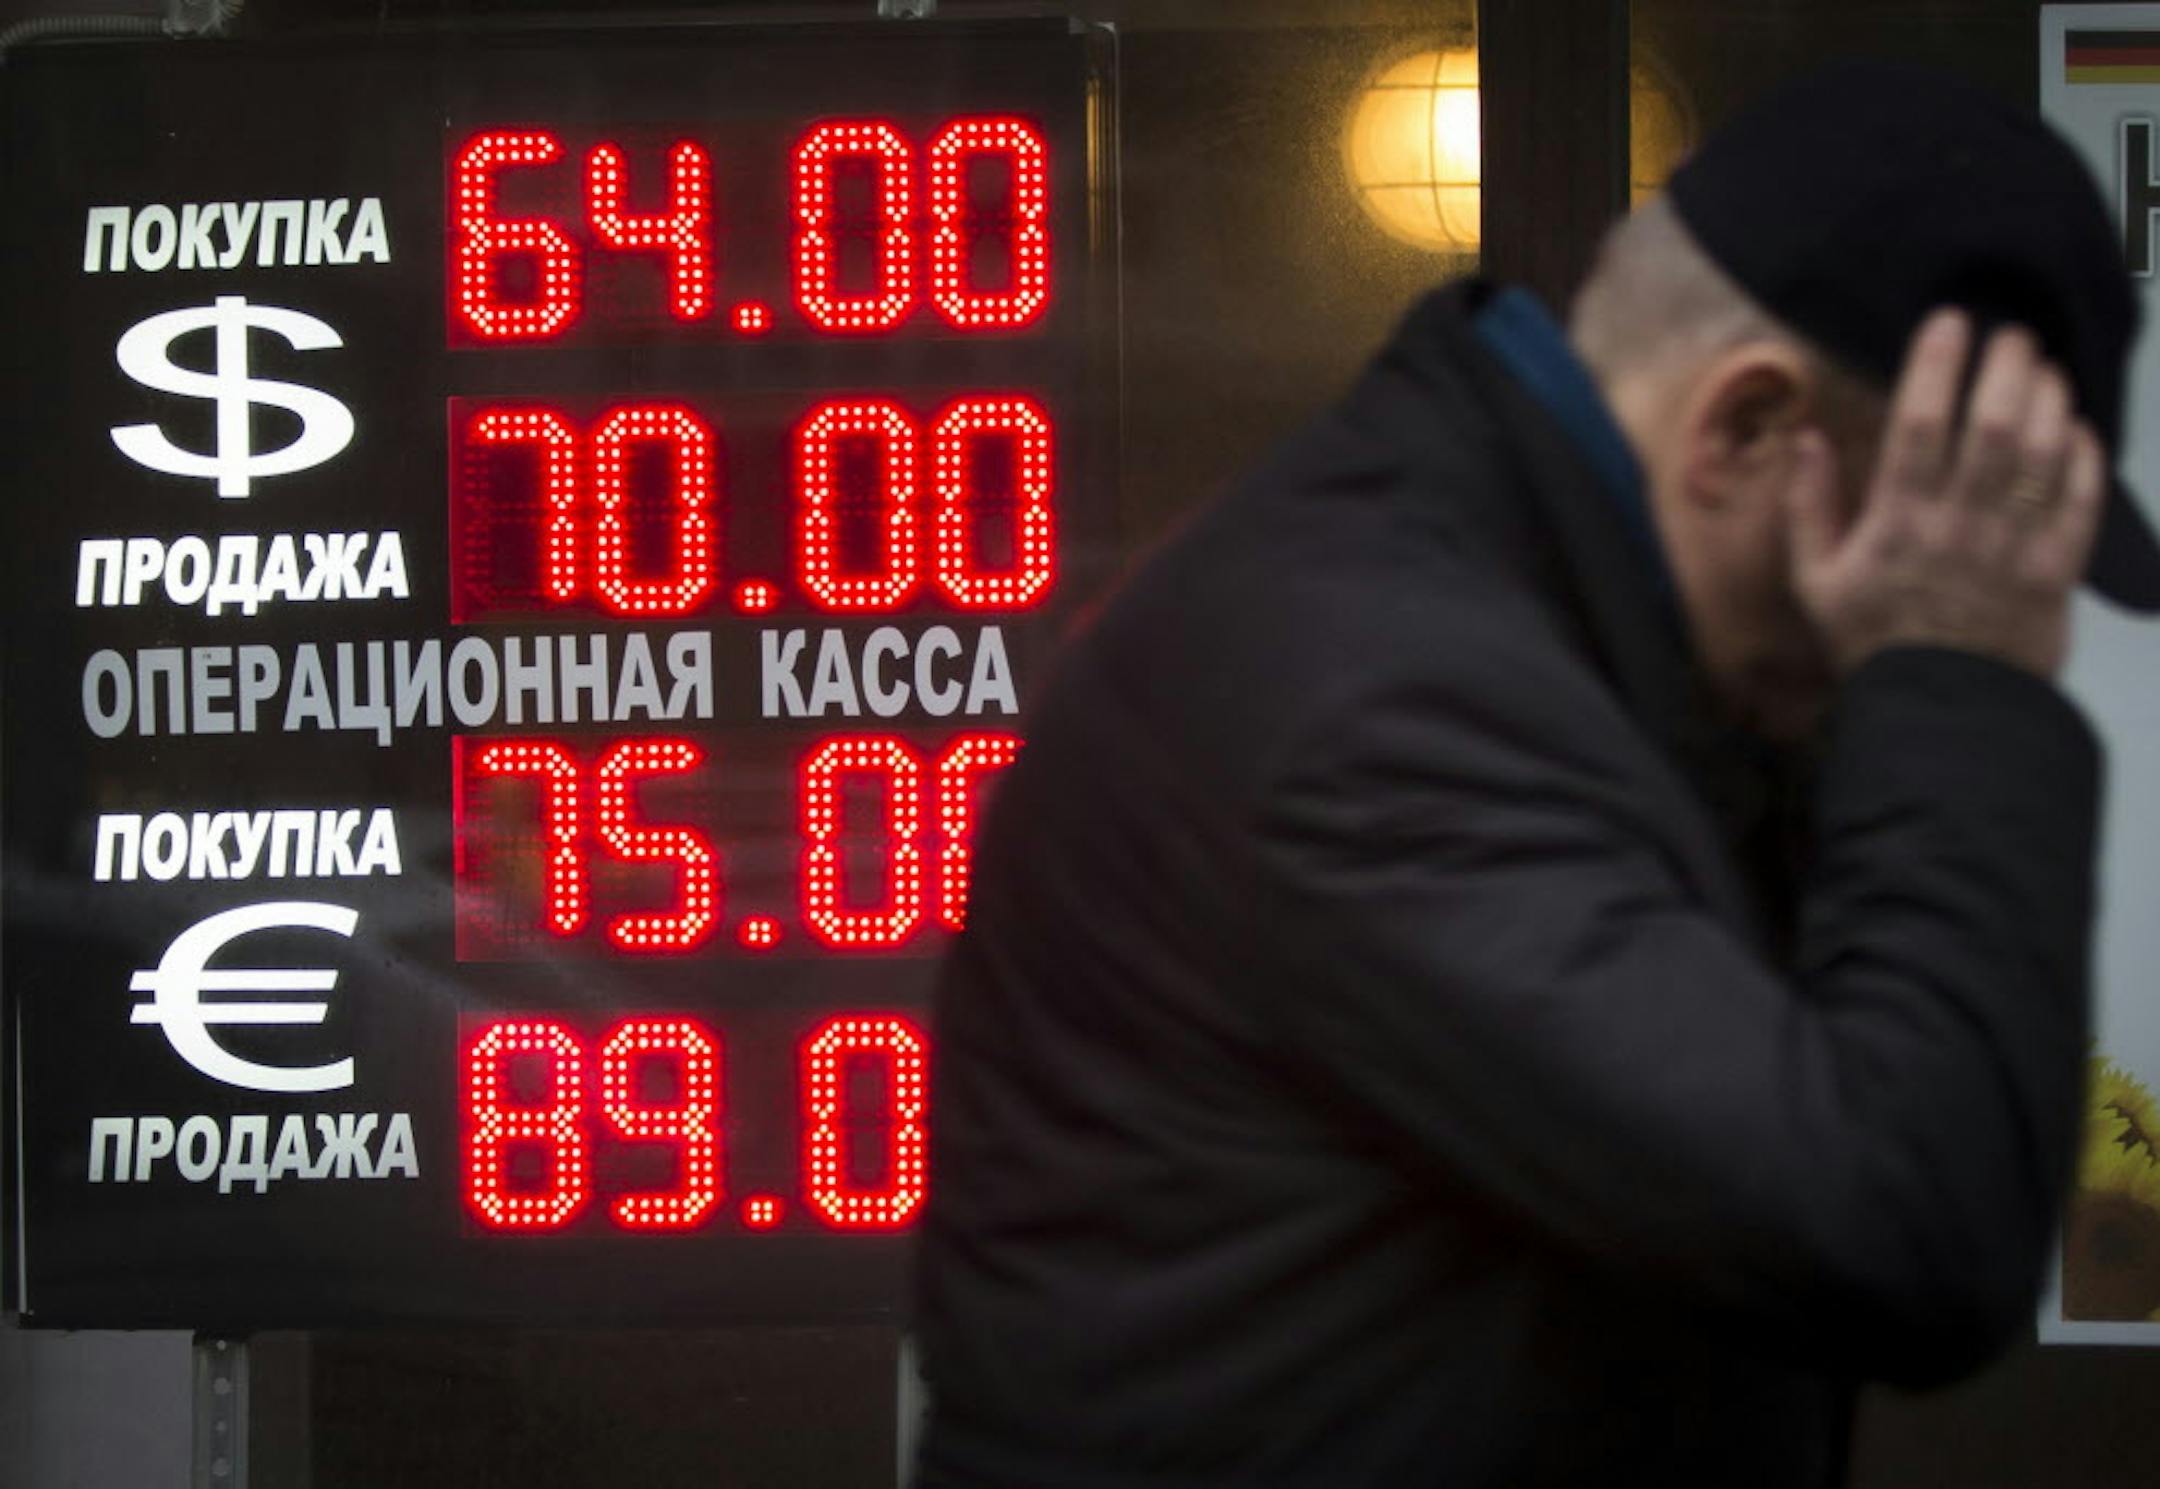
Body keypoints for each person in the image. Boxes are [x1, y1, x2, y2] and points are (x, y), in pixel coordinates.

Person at [909, 61, 2159, 1488]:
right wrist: (1957, 680)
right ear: (1744, 429)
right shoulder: (1380, 700)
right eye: (1924, 540)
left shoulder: (1553, 639)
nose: (1917, 609)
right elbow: (1906, 1224)